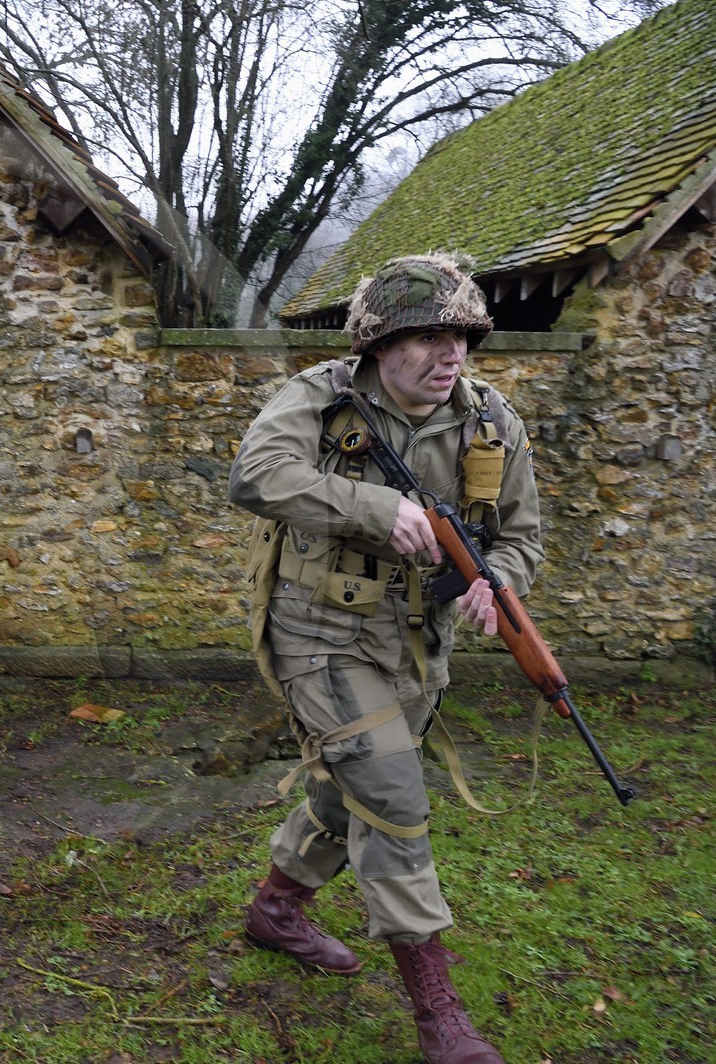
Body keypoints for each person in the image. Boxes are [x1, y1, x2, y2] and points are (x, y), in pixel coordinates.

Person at [227, 254, 542, 1064]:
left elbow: (520, 535)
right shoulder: (321, 399)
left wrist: (494, 581)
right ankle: (438, 1011)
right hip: (318, 633)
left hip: (416, 646)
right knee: (394, 794)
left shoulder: (491, 422)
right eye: (430, 337)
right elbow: (255, 474)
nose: (451, 357)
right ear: (378, 343)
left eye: (464, 338)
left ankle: (277, 907)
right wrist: (373, 506)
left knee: (351, 785)